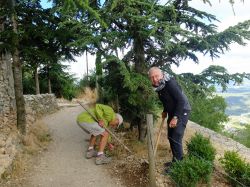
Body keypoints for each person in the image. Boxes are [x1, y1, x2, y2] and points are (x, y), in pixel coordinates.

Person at [148, 67, 191, 171]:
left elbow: (180, 100)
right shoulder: (159, 87)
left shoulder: (170, 84)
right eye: (152, 77)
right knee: (171, 136)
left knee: (176, 137)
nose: (155, 79)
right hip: (172, 112)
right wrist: (165, 110)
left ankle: (178, 166)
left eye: (156, 76)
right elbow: (167, 101)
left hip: (182, 111)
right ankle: (175, 161)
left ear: (162, 74)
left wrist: (175, 117)